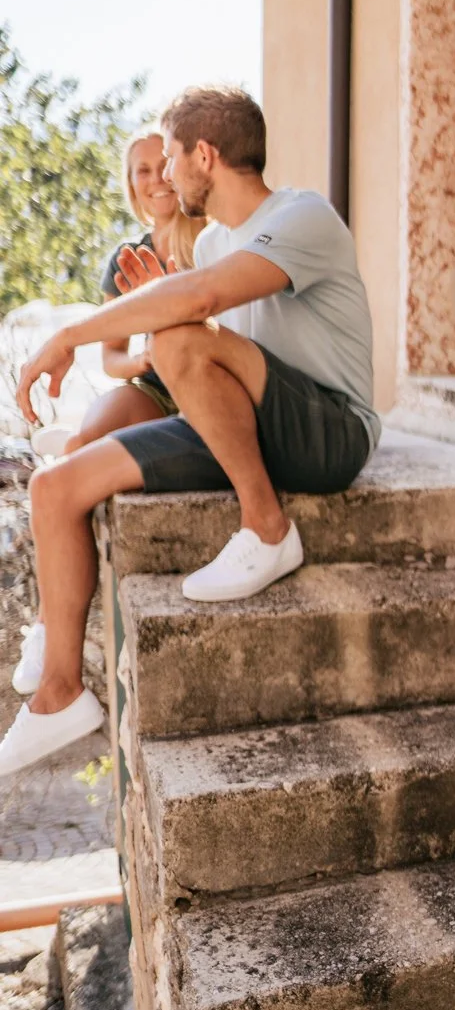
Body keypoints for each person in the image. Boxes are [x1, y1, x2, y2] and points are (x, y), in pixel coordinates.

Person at [1, 86, 380, 778]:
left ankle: (267, 527)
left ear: (205, 155)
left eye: (172, 157)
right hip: (248, 424)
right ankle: (59, 694)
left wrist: (74, 335)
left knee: (178, 335)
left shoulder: (302, 215)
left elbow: (202, 306)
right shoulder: (209, 242)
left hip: (329, 431)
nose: (167, 175)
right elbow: (205, 346)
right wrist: (163, 310)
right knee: (55, 488)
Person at [12, 131, 206, 695]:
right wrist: (150, 356)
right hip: (154, 385)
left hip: (205, 382)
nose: (154, 179)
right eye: (140, 170)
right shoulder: (125, 258)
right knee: (79, 448)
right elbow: (113, 358)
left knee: (80, 450)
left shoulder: (208, 237)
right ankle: (46, 626)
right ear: (131, 184)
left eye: (160, 165)